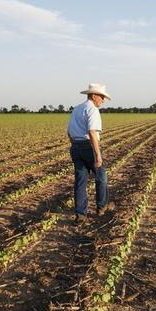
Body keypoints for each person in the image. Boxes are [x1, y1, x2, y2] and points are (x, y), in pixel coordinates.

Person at [67, 83, 115, 223]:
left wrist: (76, 145)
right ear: (94, 96)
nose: (103, 100)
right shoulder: (92, 109)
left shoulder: (76, 109)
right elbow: (92, 133)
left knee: (80, 181)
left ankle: (80, 215)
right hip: (89, 147)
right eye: (101, 97)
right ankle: (102, 206)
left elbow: (69, 132)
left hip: (75, 147)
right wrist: (98, 155)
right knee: (101, 176)